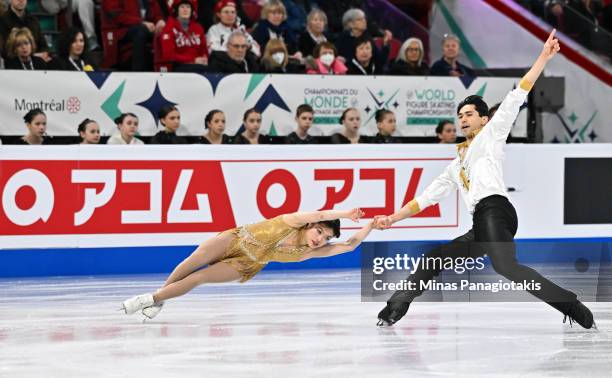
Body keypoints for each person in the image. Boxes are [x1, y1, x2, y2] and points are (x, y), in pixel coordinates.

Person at [375, 30, 595, 330]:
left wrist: (543, 56)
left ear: (483, 119)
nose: (463, 119)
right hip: (482, 221)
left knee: (506, 267)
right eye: (460, 115)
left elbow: (519, 94)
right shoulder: (456, 165)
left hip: (496, 210)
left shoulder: (492, 135)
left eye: (469, 114)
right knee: (433, 259)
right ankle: (392, 311)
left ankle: (574, 308)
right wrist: (392, 218)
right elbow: (424, 199)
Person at [120, 208, 374, 319]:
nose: (320, 239)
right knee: (193, 261)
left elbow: (350, 245)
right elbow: (319, 214)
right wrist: (345, 214)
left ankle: (151, 299)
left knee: (199, 277)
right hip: (235, 239)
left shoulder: (308, 253)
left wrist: (370, 225)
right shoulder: (292, 221)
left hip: (246, 263)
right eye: (320, 232)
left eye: (326, 238)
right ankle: (162, 296)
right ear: (311, 225)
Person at [101, 0, 166, 71]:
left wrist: (160, 20)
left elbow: (156, 13)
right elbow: (115, 14)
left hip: (147, 30)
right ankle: (138, 72)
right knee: (141, 31)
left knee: (166, 30)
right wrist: (140, 22)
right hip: (121, 32)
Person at [160, 0, 208, 72]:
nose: (185, 10)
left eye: (188, 7)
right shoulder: (169, 27)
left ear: (192, 10)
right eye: (182, 7)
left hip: (197, 65)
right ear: (176, 10)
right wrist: (193, 60)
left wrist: (204, 58)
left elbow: (204, 50)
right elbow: (168, 55)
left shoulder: (198, 27)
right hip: (177, 66)